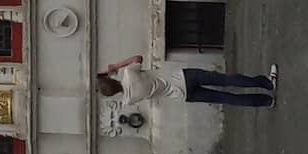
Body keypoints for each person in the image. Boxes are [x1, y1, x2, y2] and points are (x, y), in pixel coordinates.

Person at [98, 54, 277, 109]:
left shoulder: (128, 101)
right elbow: (138, 57)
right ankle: (266, 83)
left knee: (227, 98)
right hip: (184, 77)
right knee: (226, 80)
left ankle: (266, 101)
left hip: (184, 95)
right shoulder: (128, 73)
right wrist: (115, 66)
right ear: (112, 79)